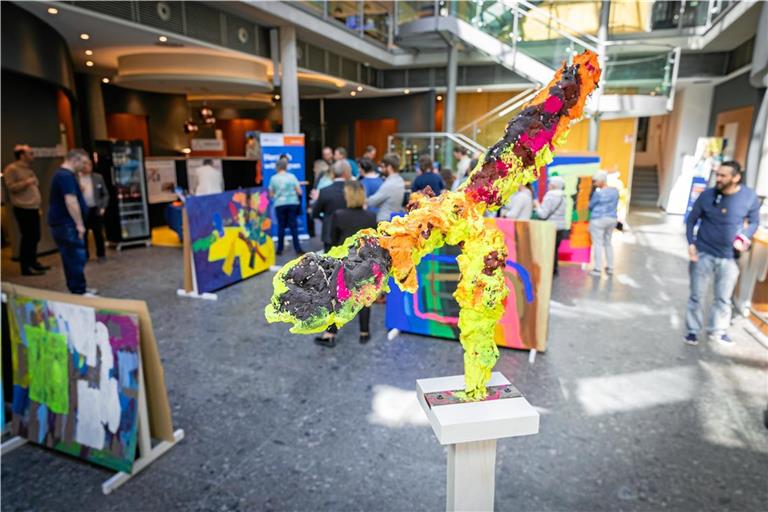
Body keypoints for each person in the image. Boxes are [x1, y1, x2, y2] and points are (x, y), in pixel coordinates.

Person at [684, 161, 760, 346]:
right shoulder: (707, 195)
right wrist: (691, 243)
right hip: (703, 253)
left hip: (730, 258)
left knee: (723, 298)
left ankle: (717, 331)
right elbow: (691, 220)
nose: (718, 178)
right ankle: (692, 331)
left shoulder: (749, 197)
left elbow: (754, 222)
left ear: (736, 178)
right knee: (696, 295)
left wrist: (744, 236)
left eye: (723, 175)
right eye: (717, 174)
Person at [314, 181, 378, 347]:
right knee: (364, 297)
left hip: (344, 263)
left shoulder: (339, 215)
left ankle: (330, 333)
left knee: (337, 298)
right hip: (364, 263)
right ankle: (364, 332)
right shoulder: (371, 217)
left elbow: (334, 242)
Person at [48, 149, 91, 294]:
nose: (85, 166)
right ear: (75, 160)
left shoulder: (63, 175)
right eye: (83, 162)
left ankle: (79, 288)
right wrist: (79, 224)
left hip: (64, 224)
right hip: (67, 224)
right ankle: (79, 290)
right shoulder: (65, 176)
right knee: (75, 257)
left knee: (72, 257)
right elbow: (71, 201)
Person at [3, 144, 49, 275]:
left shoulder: (28, 169)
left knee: (35, 236)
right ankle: (25, 267)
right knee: (28, 237)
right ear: (22, 155)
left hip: (33, 207)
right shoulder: (12, 169)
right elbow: (11, 187)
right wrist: (27, 182)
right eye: (30, 153)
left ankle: (33, 262)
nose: (32, 156)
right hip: (23, 208)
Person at [268, 158, 304, 255]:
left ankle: (279, 249)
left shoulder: (273, 178)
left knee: (281, 226)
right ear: (286, 167)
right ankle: (298, 249)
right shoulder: (292, 177)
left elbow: (271, 194)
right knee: (293, 227)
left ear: (277, 167)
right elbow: (299, 191)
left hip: (279, 204)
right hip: (292, 203)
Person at [588, 171, 620, 276]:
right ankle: (610, 267)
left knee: (597, 244)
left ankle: (597, 269)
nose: (594, 183)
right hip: (612, 219)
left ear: (601, 180)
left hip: (598, 220)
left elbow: (591, 205)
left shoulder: (598, 193)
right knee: (608, 243)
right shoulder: (615, 191)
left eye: (595, 181)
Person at [313, 160, 349, 251]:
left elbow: (315, 213)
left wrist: (326, 219)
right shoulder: (354, 189)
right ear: (346, 172)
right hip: (350, 232)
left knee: (329, 263)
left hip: (329, 232)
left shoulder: (325, 191)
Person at [535, 176, 568, 275]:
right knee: (554, 249)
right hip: (560, 227)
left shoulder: (550, 195)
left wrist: (537, 205)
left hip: (550, 227)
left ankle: (548, 271)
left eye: (550, 183)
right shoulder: (564, 196)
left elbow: (543, 214)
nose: (548, 185)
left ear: (553, 185)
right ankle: (554, 270)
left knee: (548, 250)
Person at [78, 158, 110, 261]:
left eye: (90, 164)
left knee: (98, 233)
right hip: (82, 210)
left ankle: (101, 254)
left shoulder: (98, 177)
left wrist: (103, 207)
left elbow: (105, 194)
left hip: (95, 208)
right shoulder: (76, 178)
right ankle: (84, 255)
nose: (88, 166)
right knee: (84, 234)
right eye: (86, 164)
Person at [367, 153, 406, 222]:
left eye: (382, 167)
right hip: (393, 219)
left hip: (384, 220)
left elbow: (372, 202)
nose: (381, 169)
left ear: (389, 167)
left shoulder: (389, 184)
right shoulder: (400, 180)